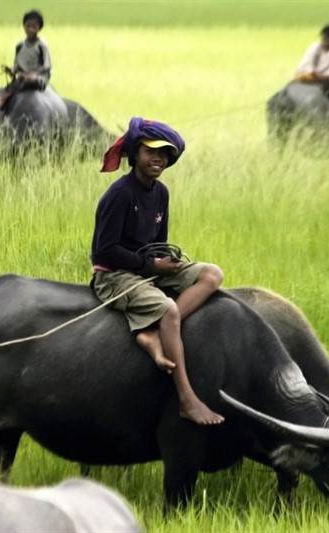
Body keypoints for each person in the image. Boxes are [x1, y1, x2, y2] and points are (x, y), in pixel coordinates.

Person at [90, 117, 225, 426]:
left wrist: (166, 261)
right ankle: (187, 399)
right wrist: (152, 267)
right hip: (114, 275)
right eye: (152, 152)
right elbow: (103, 251)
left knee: (212, 274)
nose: (158, 159)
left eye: (165, 154)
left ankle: (156, 330)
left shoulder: (161, 193)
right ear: (135, 153)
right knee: (168, 311)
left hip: (147, 267)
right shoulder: (119, 194)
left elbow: (158, 242)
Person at [0, 10, 52, 124]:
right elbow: (18, 64)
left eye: (34, 26)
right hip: (22, 78)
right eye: (28, 26)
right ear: (24, 26)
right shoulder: (20, 45)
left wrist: (31, 73)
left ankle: (20, 84)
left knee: (26, 79)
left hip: (38, 77)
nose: (30, 29)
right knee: (4, 94)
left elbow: (46, 66)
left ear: (39, 28)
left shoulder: (42, 45)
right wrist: (12, 70)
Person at [295, 24, 329, 120]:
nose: (324, 40)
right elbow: (307, 63)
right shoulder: (314, 48)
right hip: (306, 74)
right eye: (323, 37)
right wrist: (316, 74)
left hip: (323, 77)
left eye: (327, 38)